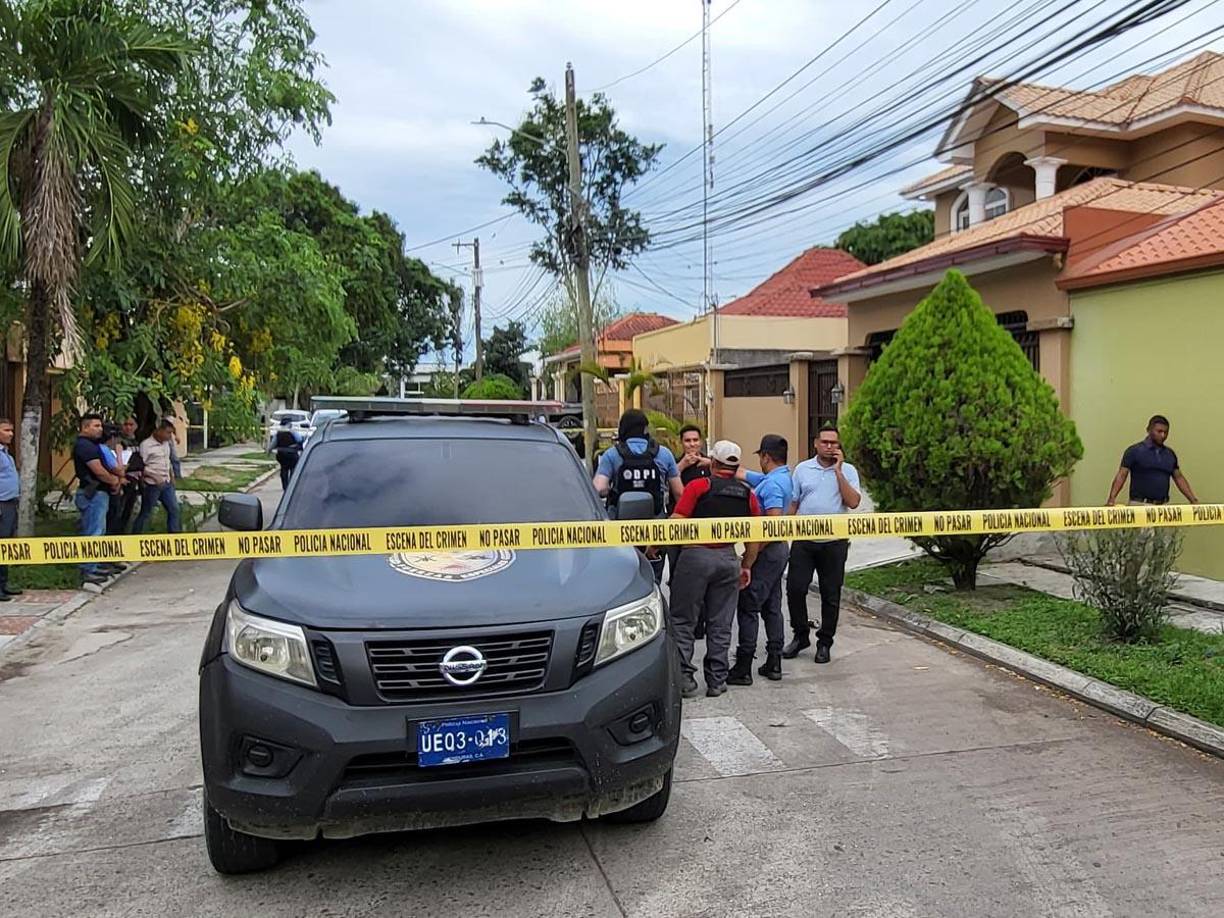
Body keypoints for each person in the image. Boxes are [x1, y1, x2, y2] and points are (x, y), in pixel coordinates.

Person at [669, 440, 761, 699]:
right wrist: (746, 565)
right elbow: (755, 537)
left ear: (714, 463)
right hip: (728, 560)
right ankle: (717, 680)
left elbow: (677, 520)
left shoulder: (699, 486)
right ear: (736, 466)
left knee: (683, 620)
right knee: (721, 623)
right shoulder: (747, 494)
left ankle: (684, 678)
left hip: (695, 557)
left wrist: (654, 546)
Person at [784, 425, 861, 664]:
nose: (829, 447)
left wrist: (838, 472)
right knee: (795, 588)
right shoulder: (802, 469)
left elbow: (853, 502)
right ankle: (800, 635)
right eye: (825, 442)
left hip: (834, 543)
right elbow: (794, 503)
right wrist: (783, 529)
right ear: (816, 444)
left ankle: (825, 642)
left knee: (831, 593)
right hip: (804, 541)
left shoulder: (848, 470)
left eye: (833, 443)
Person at [728, 434, 793, 685]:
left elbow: (772, 524)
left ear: (766, 457)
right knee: (772, 605)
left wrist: (751, 556)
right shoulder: (782, 477)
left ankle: (743, 666)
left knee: (748, 604)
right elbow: (749, 476)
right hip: (778, 550)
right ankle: (774, 661)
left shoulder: (772, 485)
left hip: (768, 550)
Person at [593, 409, 684, 582]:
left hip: (620, 530)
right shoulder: (663, 453)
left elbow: (599, 488)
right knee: (652, 579)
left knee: (620, 580)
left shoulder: (612, 454)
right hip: (654, 530)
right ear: (645, 429)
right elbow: (679, 492)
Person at [73, 414, 123, 585]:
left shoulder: (92, 445)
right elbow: (98, 471)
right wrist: (114, 481)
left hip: (99, 493)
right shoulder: (84, 446)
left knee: (98, 531)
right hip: (93, 493)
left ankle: (93, 565)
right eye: (96, 426)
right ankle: (87, 569)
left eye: (100, 426)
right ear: (85, 427)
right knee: (93, 532)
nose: (100, 429)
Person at [1106, 415, 1199, 506]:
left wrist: (1193, 500)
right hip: (1140, 504)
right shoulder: (1134, 451)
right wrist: (1111, 499)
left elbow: (1179, 477)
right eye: (1159, 431)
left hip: (1163, 506)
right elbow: (1122, 475)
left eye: (1166, 432)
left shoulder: (1169, 454)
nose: (1163, 435)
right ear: (1149, 430)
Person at [667, 424, 711, 587]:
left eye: (695, 440)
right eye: (688, 441)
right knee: (677, 569)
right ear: (681, 442)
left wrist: (710, 464)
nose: (692, 444)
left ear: (701, 442)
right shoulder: (673, 464)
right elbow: (665, 484)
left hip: (704, 525)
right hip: (679, 525)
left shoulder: (711, 464)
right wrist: (681, 466)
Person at [133, 419, 182, 534]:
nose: (170, 436)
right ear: (159, 430)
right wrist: (154, 476)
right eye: (168, 433)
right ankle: (136, 535)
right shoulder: (146, 445)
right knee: (146, 512)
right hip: (152, 484)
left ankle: (175, 535)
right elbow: (140, 467)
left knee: (174, 509)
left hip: (166, 483)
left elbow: (167, 461)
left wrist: (171, 476)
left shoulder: (166, 444)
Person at [0, 418, 22, 601]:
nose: (11, 434)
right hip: (2, 504)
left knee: (6, 546)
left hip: (10, 503)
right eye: (6, 430)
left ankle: (4, 583)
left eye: (11, 430)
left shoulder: (6, 454)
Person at [270, 418, 304, 490]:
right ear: (289, 424)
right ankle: (291, 485)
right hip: (292, 454)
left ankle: (285, 486)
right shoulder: (292, 431)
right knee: (293, 469)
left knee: (284, 470)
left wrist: (269, 450)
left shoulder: (278, 433)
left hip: (282, 455)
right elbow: (299, 439)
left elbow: (273, 444)